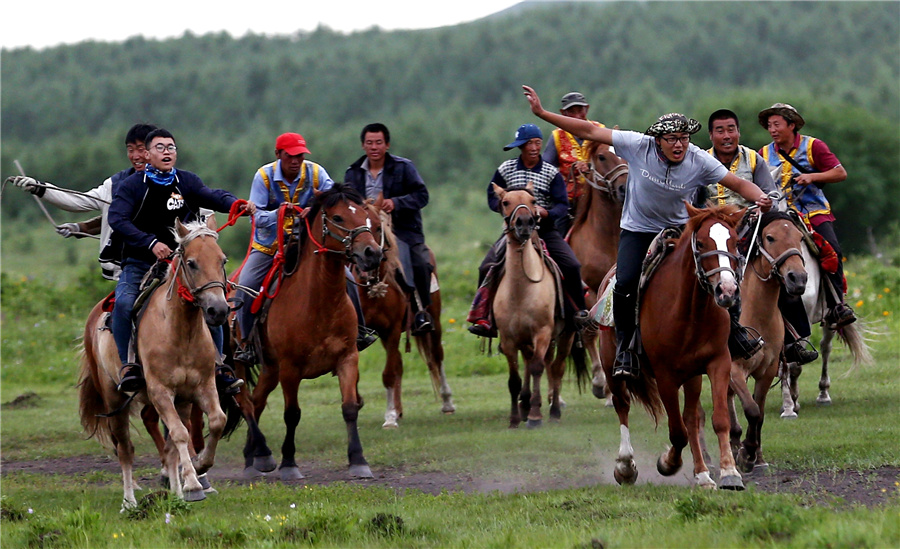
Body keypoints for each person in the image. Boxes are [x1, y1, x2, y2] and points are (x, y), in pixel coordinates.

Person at [522, 85, 772, 379]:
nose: (679, 145)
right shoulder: (637, 145)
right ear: (658, 140)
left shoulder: (698, 159)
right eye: (672, 139)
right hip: (638, 229)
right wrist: (542, 113)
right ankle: (626, 348)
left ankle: (734, 331)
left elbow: (738, 184)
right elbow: (589, 131)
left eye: (683, 138)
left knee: (720, 270)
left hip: (680, 229)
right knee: (626, 281)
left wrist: (761, 197)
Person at [108, 128, 254, 393]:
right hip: (140, 262)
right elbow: (117, 219)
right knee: (124, 303)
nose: (167, 152)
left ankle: (219, 366)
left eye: (171, 147)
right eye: (160, 148)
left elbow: (212, 195)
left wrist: (236, 204)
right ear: (147, 154)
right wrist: (151, 243)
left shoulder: (187, 181)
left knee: (213, 300)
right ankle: (128, 365)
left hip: (183, 265)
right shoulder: (131, 186)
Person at [232, 132, 376, 359]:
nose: (295, 161)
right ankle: (246, 343)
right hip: (270, 247)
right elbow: (256, 218)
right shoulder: (264, 177)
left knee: (347, 278)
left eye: (299, 155)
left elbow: (333, 201)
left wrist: (315, 209)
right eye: (290, 156)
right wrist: (280, 212)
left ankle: (360, 331)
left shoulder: (316, 173)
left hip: (307, 244)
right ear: (278, 154)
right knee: (246, 285)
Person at [706, 109, 817, 365]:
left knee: (780, 264)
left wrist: (766, 204)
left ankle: (795, 339)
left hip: (750, 227)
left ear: (738, 132)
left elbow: (772, 194)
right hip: (714, 231)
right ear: (711, 135)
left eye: (731, 129)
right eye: (720, 130)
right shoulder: (701, 160)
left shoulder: (753, 159)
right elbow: (692, 197)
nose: (726, 135)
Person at [467, 123, 592, 337]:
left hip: (545, 231)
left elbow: (562, 205)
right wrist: (505, 207)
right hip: (512, 232)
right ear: (520, 146)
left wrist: (546, 212)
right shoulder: (506, 169)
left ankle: (578, 312)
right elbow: (491, 196)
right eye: (528, 144)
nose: (533, 148)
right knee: (486, 266)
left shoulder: (551, 172)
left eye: (537, 143)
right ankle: (484, 316)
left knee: (572, 265)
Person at [7, 123, 158, 280]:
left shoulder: (173, 184)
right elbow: (81, 202)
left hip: (166, 266)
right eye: (130, 150)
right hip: (128, 269)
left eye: (141, 149)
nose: (135, 156)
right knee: (125, 297)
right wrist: (39, 188)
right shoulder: (116, 185)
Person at [758, 102, 856, 329]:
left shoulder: (814, 146)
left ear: (791, 125)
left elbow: (840, 173)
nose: (772, 130)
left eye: (777, 124)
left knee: (832, 249)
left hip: (812, 211)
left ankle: (836, 305)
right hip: (779, 214)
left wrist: (812, 177)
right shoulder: (763, 153)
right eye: (769, 125)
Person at [345, 123, 435, 335]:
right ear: (363, 145)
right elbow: (348, 203)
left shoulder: (404, 167)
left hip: (401, 230)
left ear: (387, 145)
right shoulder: (353, 172)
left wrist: (396, 203)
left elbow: (422, 195)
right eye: (369, 143)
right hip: (365, 231)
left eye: (378, 142)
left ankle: (420, 311)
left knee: (421, 263)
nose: (374, 147)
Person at [541, 91, 606, 231]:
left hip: (598, 197)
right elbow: (546, 169)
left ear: (587, 109)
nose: (577, 116)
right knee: (556, 232)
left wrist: (590, 167)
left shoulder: (600, 131)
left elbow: (611, 160)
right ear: (563, 113)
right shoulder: (557, 136)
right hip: (569, 200)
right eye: (571, 111)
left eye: (580, 110)